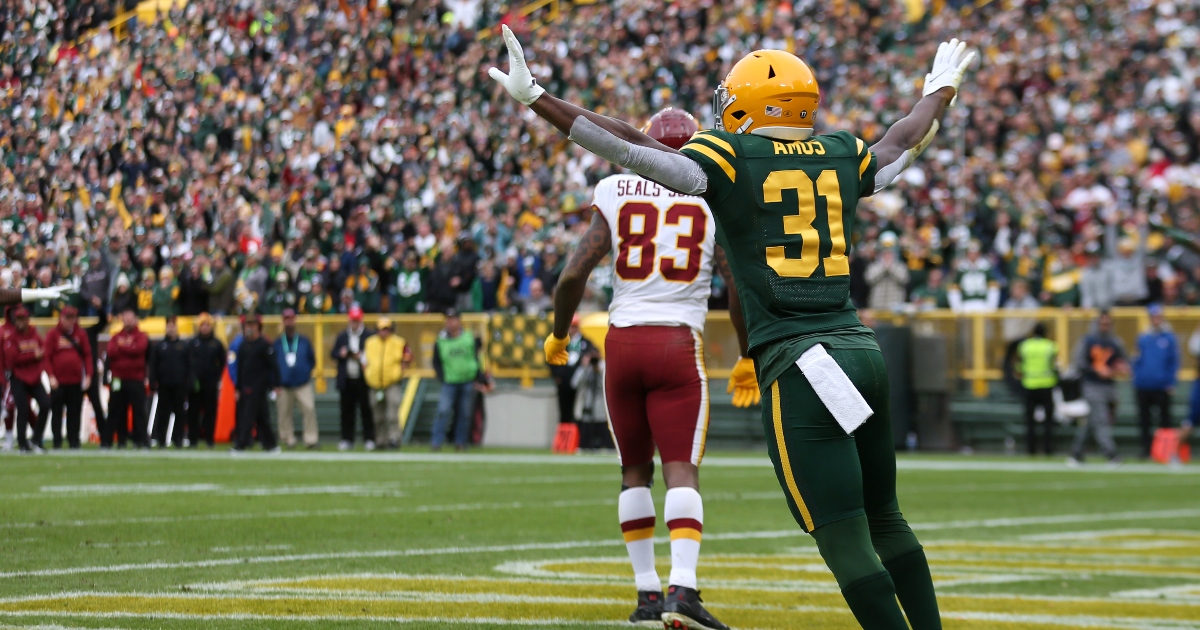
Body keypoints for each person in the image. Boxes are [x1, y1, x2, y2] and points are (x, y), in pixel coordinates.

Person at [493, 26, 968, 629]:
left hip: (803, 365)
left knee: (843, 536)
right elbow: (903, 141)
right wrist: (940, 91)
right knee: (887, 517)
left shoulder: (731, 159)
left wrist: (539, 99)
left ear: (747, 106)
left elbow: (634, 147)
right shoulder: (842, 150)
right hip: (861, 354)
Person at [536, 106, 744, 628]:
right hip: (677, 342)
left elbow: (571, 276)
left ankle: (647, 596)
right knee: (682, 472)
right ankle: (684, 590)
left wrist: (560, 333)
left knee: (633, 472)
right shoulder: (710, 194)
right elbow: (737, 286)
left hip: (622, 343)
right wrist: (747, 355)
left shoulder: (616, 189)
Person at [1069, 310, 1126, 466]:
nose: (1105, 326)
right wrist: (1096, 370)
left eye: (1107, 323)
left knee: (1094, 421)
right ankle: (1111, 454)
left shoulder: (1115, 342)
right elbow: (1079, 363)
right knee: (1100, 420)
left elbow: (1123, 361)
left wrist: (1119, 367)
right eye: (1102, 323)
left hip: (1109, 386)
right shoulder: (1087, 341)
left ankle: (1076, 453)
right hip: (1092, 385)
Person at [431, 309, 484, 452]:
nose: (450, 322)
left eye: (452, 319)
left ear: (459, 321)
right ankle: (436, 442)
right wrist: (441, 376)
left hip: (467, 380)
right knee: (443, 411)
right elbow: (436, 361)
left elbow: (476, 358)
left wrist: (480, 377)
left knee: (465, 414)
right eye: (448, 319)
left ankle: (461, 442)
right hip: (449, 381)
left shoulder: (468, 338)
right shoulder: (441, 340)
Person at [1131, 304, 1179, 460]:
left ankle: (1166, 451)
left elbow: (1173, 362)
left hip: (1161, 385)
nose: (1156, 320)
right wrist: (1137, 377)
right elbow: (1137, 359)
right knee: (1144, 420)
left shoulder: (1169, 338)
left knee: (1165, 420)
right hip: (1144, 385)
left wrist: (1170, 382)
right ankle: (1146, 449)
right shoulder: (1143, 338)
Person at [43, 306, 93, 449]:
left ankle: (74, 441)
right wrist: (51, 376)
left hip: (75, 381)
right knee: (57, 413)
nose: (69, 321)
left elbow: (87, 355)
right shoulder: (53, 334)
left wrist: (89, 375)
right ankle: (57, 442)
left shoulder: (81, 334)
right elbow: (47, 356)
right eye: (67, 318)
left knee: (74, 413)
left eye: (72, 318)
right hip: (58, 382)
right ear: (61, 318)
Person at [3, 305, 49, 453]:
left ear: (27, 320)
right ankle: (22, 444)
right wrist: (32, 357)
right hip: (19, 378)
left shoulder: (35, 334)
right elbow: (12, 359)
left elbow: (43, 351)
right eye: (17, 319)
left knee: (46, 404)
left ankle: (36, 439)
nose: (19, 323)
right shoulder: (11, 337)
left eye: (22, 319)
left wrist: (39, 364)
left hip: (35, 377)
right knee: (22, 410)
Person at [232, 313, 280, 453]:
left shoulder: (264, 344)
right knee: (261, 417)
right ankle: (270, 445)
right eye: (248, 325)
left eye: (252, 325)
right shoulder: (243, 345)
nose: (250, 328)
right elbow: (240, 368)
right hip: (246, 386)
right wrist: (237, 388)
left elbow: (273, 366)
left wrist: (276, 384)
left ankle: (241, 444)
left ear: (258, 327)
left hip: (259, 386)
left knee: (248, 417)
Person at [363, 316, 413, 449]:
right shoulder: (370, 343)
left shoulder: (399, 342)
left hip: (392, 383)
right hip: (375, 384)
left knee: (392, 414)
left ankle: (394, 439)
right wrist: (368, 374)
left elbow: (408, 357)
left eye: (386, 329)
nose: (383, 332)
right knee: (378, 416)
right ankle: (380, 440)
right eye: (381, 329)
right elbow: (364, 361)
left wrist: (399, 372)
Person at [105, 307, 151, 448]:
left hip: (136, 379)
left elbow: (139, 349)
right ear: (122, 319)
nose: (128, 320)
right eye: (126, 317)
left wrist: (123, 346)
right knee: (116, 410)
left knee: (139, 411)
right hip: (118, 379)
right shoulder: (115, 336)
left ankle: (142, 441)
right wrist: (128, 346)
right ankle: (116, 441)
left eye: (131, 317)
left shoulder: (142, 336)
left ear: (136, 319)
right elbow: (111, 351)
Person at [332, 305, 376, 451]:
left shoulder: (369, 335)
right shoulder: (342, 336)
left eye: (357, 320)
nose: (355, 323)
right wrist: (342, 353)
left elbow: (374, 356)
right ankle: (346, 439)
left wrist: (361, 356)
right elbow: (333, 353)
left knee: (366, 411)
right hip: (347, 379)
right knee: (347, 412)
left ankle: (369, 438)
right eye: (353, 320)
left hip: (363, 379)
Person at [275, 309, 319, 449]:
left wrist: (305, 372)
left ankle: (311, 440)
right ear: (283, 321)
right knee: (284, 413)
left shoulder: (304, 341)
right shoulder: (277, 343)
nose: (289, 322)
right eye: (286, 319)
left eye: (291, 319)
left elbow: (312, 360)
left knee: (309, 409)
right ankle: (289, 439)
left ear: (295, 320)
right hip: (284, 384)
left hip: (302, 383)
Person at [148, 315, 192, 448]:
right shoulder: (159, 346)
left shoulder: (183, 346)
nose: (171, 328)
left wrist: (188, 381)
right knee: (163, 412)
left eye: (173, 325)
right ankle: (161, 439)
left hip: (179, 384)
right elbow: (153, 365)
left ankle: (177, 439)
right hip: (164, 384)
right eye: (169, 326)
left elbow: (188, 365)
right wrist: (153, 381)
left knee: (179, 412)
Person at [1015, 323, 1058, 456]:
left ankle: (1030, 448)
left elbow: (1019, 365)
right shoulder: (1050, 346)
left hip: (1029, 384)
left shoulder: (1025, 346)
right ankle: (1047, 448)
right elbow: (1054, 365)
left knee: (1029, 420)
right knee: (1048, 421)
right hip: (1046, 384)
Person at [548, 315, 595, 426]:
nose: (572, 329)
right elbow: (550, 358)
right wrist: (557, 375)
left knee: (579, 412)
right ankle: (566, 439)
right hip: (564, 383)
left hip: (581, 384)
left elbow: (594, 355)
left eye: (574, 326)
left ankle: (579, 437)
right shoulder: (560, 343)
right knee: (564, 412)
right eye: (570, 327)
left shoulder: (586, 343)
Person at [188, 312, 226, 448]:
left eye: (207, 325)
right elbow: (188, 362)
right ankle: (193, 439)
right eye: (202, 325)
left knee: (210, 412)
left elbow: (222, 361)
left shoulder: (216, 343)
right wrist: (191, 378)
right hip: (195, 384)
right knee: (193, 412)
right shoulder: (192, 343)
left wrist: (216, 377)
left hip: (210, 383)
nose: (205, 328)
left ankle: (210, 439)